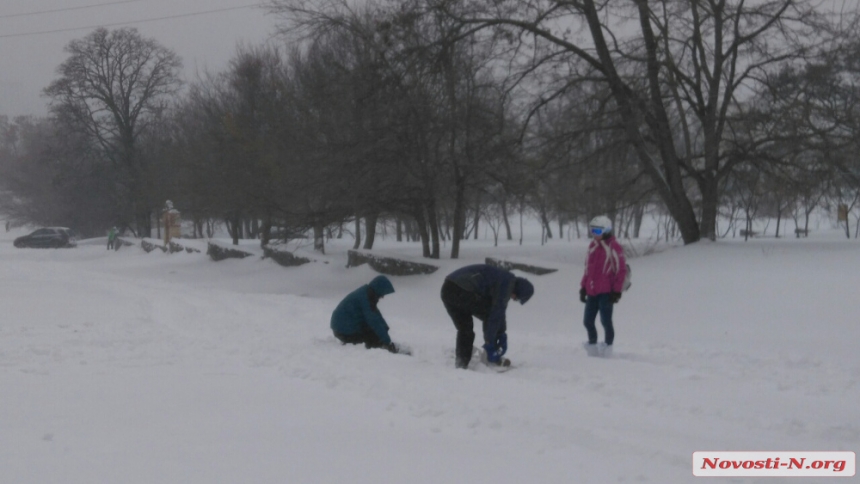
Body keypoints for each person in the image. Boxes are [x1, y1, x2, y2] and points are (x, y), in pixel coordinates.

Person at [441, 264, 534, 369]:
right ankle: (490, 357)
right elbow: (495, 314)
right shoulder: (506, 283)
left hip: (447, 290)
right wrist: (490, 342)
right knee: (488, 314)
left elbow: (498, 311)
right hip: (461, 290)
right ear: (518, 290)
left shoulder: (504, 279)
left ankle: (461, 364)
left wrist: (501, 332)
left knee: (465, 329)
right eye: (516, 298)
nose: (514, 299)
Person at [579, 215, 627, 357]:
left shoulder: (614, 246)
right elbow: (588, 268)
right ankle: (592, 345)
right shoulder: (592, 246)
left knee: (605, 321)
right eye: (592, 231)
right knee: (587, 321)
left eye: (598, 231)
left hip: (606, 292)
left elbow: (621, 269)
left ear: (606, 231)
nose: (594, 234)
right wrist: (583, 287)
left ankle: (607, 347)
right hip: (592, 291)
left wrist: (616, 291)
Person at [330, 275, 404, 354]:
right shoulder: (365, 298)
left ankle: (381, 345)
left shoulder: (367, 294)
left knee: (374, 333)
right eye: (382, 294)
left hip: (344, 327)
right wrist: (387, 342)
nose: (382, 297)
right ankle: (383, 351)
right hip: (343, 331)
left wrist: (385, 328)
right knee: (372, 338)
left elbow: (376, 314)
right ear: (378, 290)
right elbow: (373, 320)